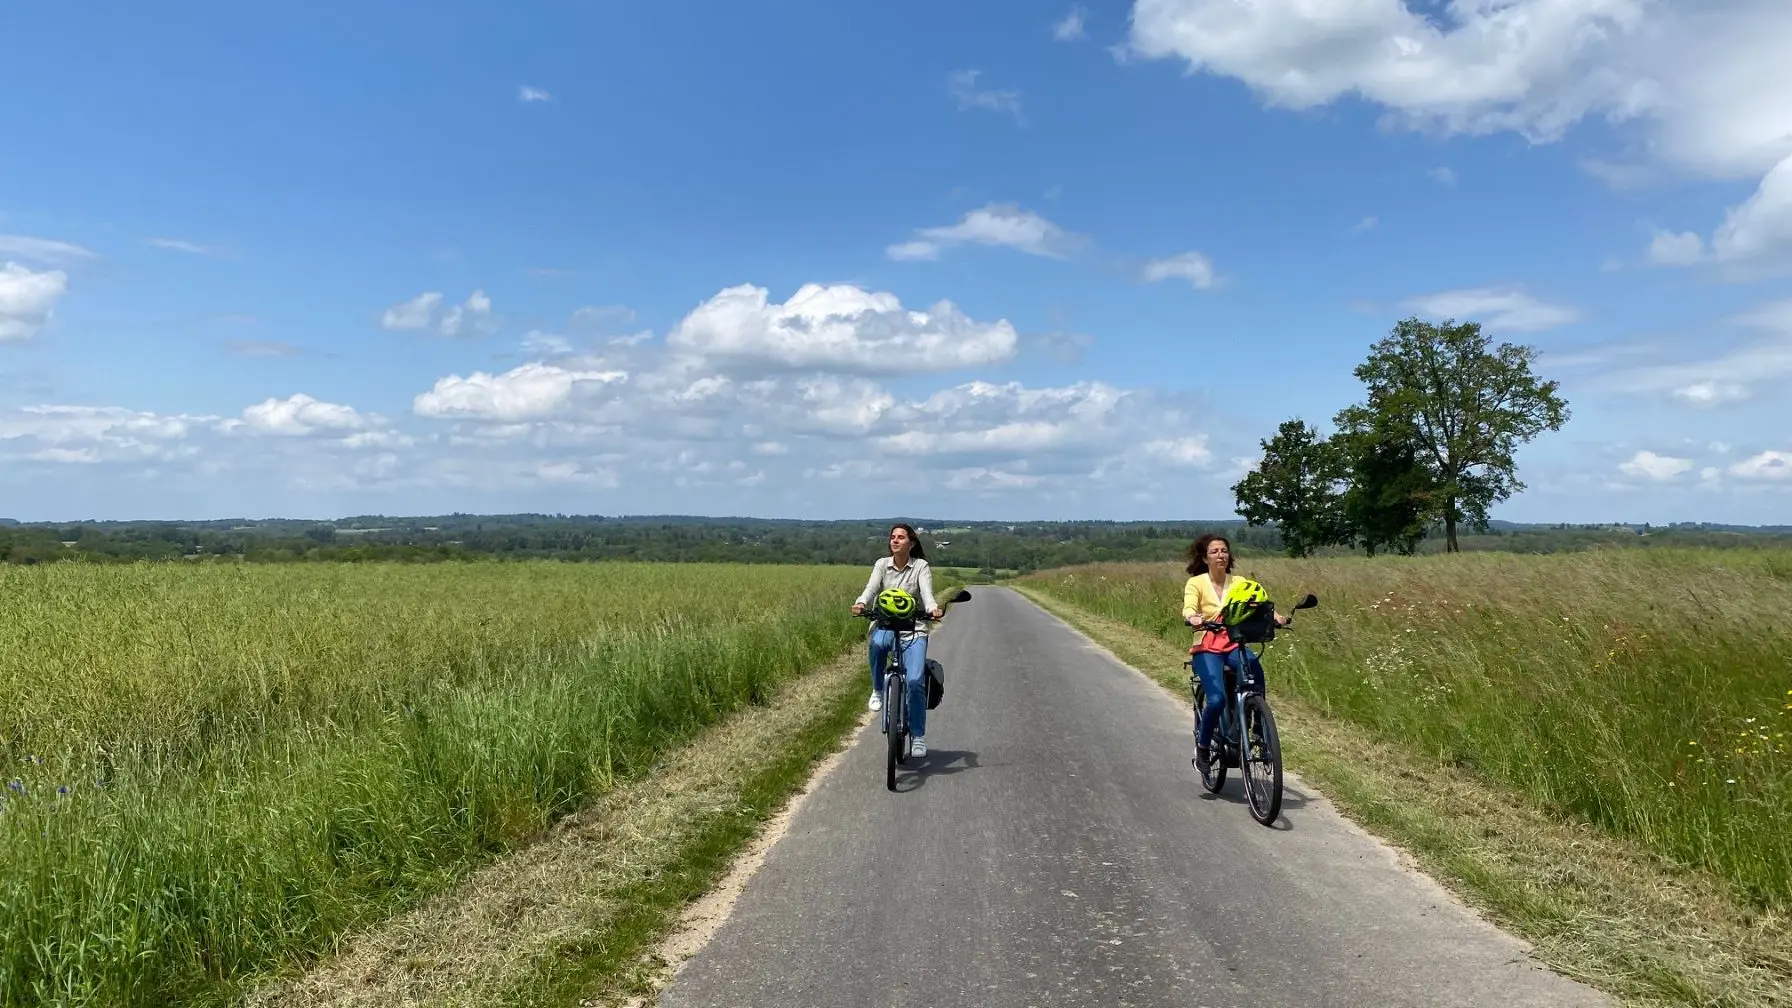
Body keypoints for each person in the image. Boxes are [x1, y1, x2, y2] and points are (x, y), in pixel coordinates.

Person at [1181, 533, 1288, 772]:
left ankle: (1259, 728)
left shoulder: (1239, 582)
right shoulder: (1196, 583)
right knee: (1217, 699)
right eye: (1214, 551)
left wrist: (1276, 617)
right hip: (1207, 645)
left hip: (1233, 643)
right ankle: (1203, 747)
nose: (1220, 555)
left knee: (1255, 676)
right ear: (1205, 558)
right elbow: (1188, 607)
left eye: (1224, 551)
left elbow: (1257, 604)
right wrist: (1192, 616)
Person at [851, 523, 944, 757]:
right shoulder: (882, 565)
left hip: (914, 629)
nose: (895, 541)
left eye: (901, 538)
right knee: (877, 644)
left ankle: (918, 736)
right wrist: (861, 603)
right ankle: (878, 690)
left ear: (910, 543)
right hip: (886, 625)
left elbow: (927, 593)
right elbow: (870, 589)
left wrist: (933, 608)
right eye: (893, 537)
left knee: (914, 680)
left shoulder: (920, 566)